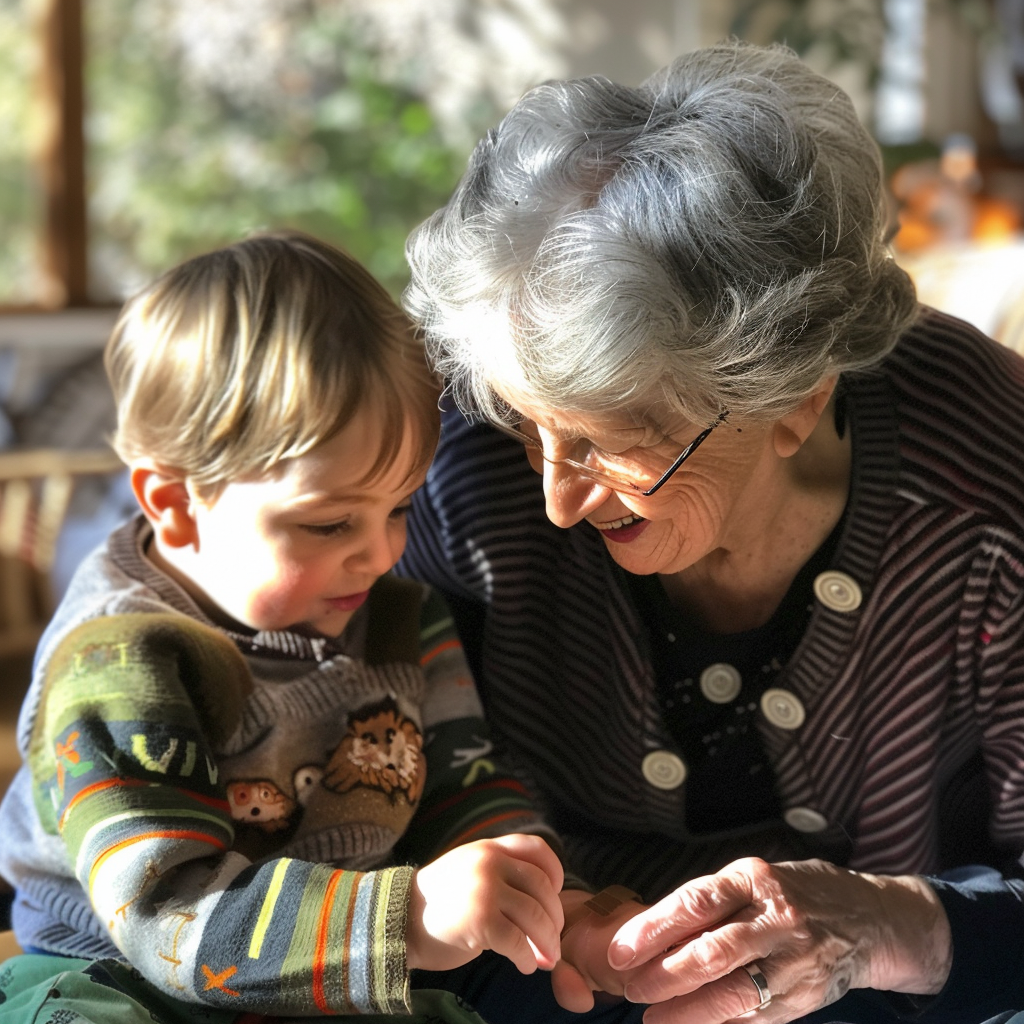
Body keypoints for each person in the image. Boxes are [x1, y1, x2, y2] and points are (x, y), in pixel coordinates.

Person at [398, 40, 1024, 1024]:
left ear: (794, 400)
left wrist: (884, 925)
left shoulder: (990, 488)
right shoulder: (459, 461)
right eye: (529, 426)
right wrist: (518, 896)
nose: (557, 499)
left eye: (616, 443)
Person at [0, 231, 640, 1024]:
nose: (379, 553)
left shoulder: (403, 619)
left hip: (353, 963)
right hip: (130, 974)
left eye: (399, 508)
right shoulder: (120, 661)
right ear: (174, 505)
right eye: (331, 523)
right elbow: (165, 914)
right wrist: (408, 921)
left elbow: (458, 789)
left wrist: (543, 905)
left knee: (567, 1000)